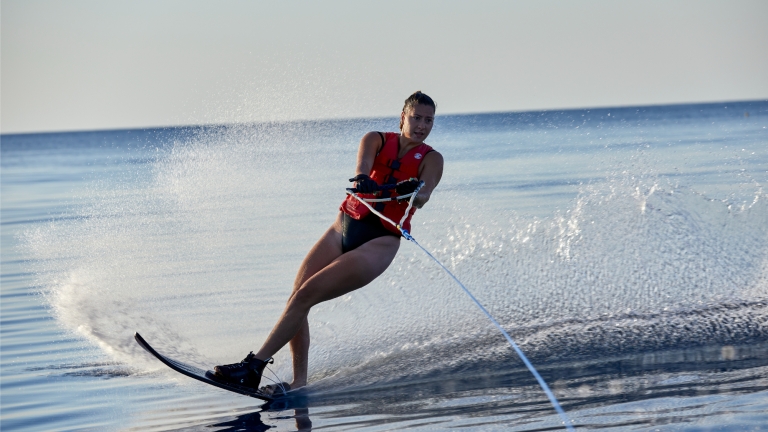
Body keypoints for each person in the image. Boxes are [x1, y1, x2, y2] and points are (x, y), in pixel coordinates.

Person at [213, 91, 444, 395]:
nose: (422, 125)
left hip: (380, 242)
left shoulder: (432, 159)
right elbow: (362, 166)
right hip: (343, 227)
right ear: (403, 117)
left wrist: (415, 190)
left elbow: (424, 196)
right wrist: (364, 178)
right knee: (297, 297)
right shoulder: (375, 139)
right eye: (416, 118)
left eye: (428, 120)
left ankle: (252, 367)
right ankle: (299, 382)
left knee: (306, 295)